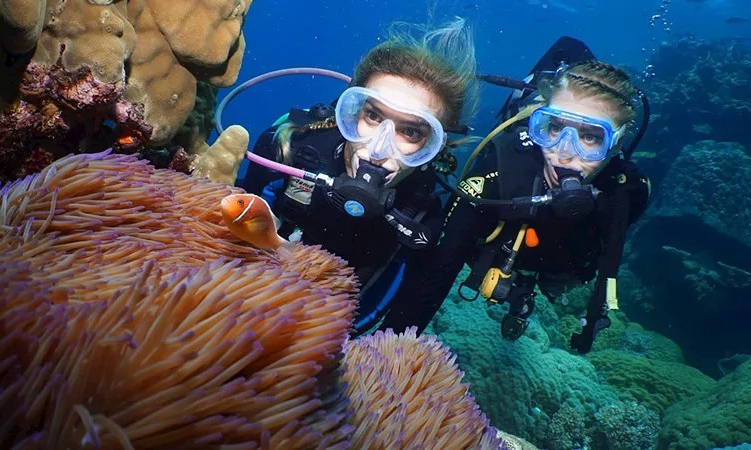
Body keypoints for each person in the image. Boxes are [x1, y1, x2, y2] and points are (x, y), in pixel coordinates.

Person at [379, 42, 651, 354]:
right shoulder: (498, 170)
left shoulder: (628, 191)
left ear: (616, 144)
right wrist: (387, 354)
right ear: (539, 121)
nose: (564, 152)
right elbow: (438, 271)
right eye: (554, 127)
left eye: (590, 137)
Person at [237, 18, 478, 334]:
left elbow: (389, 319)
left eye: (410, 131)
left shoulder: (423, 218)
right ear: (351, 112)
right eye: (373, 115)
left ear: (434, 146)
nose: (379, 150)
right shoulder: (287, 149)